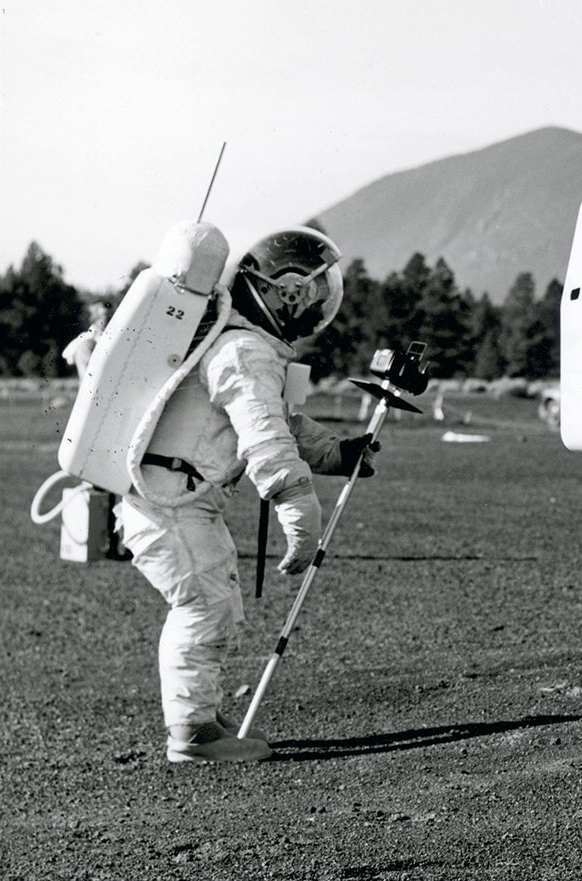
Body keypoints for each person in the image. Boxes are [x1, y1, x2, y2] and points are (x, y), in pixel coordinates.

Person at [117, 225, 379, 763]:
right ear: (286, 291)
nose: (317, 307)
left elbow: (280, 424)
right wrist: (299, 508)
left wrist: (337, 455)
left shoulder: (237, 345)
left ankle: (201, 717)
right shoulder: (244, 350)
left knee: (212, 602)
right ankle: (191, 734)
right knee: (204, 605)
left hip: (171, 498)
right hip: (169, 504)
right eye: (313, 293)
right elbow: (263, 437)